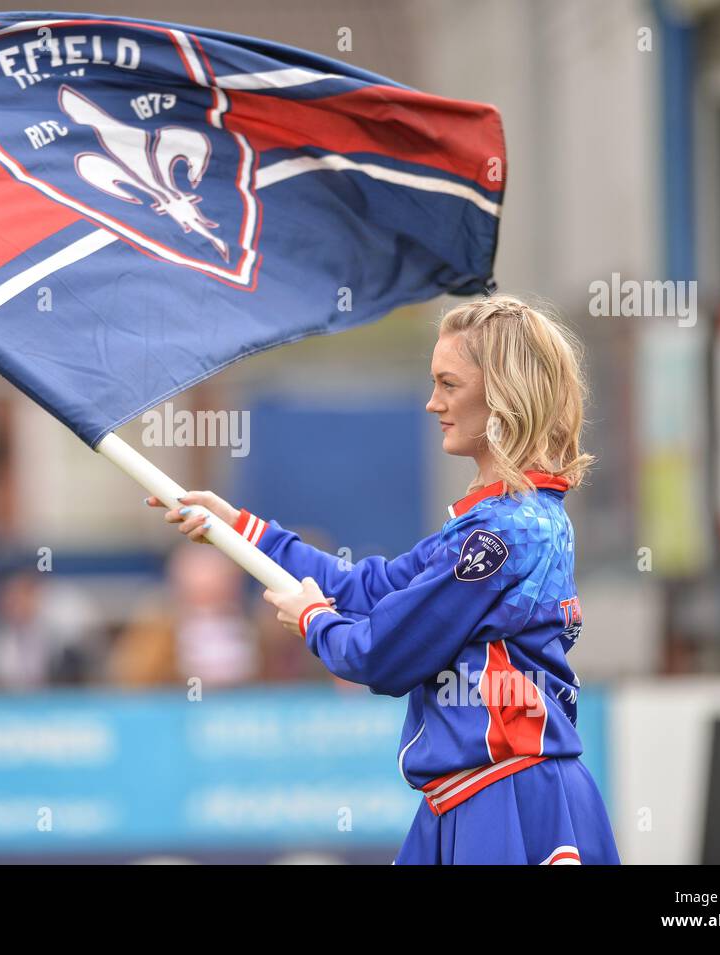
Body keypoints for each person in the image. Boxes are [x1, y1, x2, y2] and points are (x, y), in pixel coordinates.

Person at [149, 295, 620, 865]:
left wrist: (311, 619)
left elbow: (381, 654)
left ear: (503, 396)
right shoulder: (506, 518)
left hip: (504, 799)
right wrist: (244, 530)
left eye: (449, 384)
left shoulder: (498, 537)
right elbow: (372, 590)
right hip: (477, 796)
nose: (433, 403)